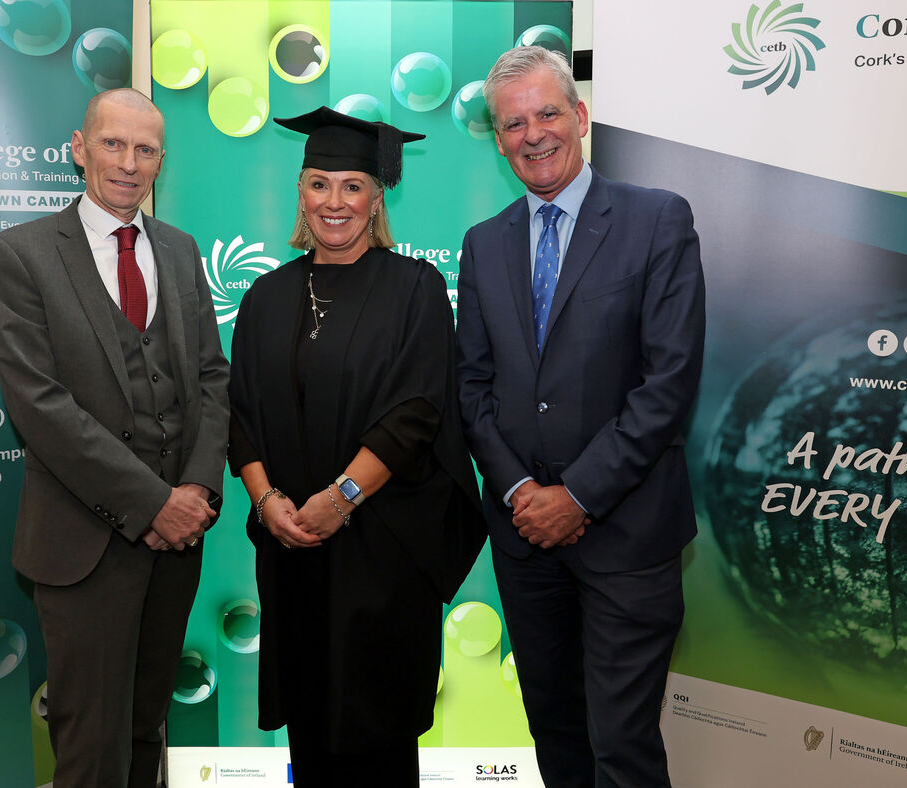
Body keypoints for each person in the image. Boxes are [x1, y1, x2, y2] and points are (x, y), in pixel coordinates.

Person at [455, 47, 706, 787]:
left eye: (547, 114)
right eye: (513, 123)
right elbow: (472, 387)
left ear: (581, 117)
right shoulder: (484, 242)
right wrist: (520, 495)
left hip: (627, 537)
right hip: (524, 540)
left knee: (620, 749)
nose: (533, 135)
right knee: (556, 737)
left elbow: (668, 383)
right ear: (498, 139)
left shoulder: (657, 219)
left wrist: (579, 496)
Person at [227, 106, 485, 788]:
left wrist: (339, 501)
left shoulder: (415, 289)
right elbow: (240, 411)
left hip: (380, 548)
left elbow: (417, 410)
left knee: (376, 731)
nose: (333, 201)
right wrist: (267, 502)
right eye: (318, 183)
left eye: (351, 186)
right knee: (311, 724)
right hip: (293, 549)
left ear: (376, 198)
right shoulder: (265, 296)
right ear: (301, 193)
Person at [0, 88, 229, 787]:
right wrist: (154, 503)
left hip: (178, 542)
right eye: (113, 144)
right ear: (78, 148)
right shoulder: (19, 254)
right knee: (90, 745)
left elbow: (212, 377)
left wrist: (198, 491)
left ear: (161, 161)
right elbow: (39, 405)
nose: (129, 162)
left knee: (148, 725)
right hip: (83, 544)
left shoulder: (179, 250)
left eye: (145, 149)